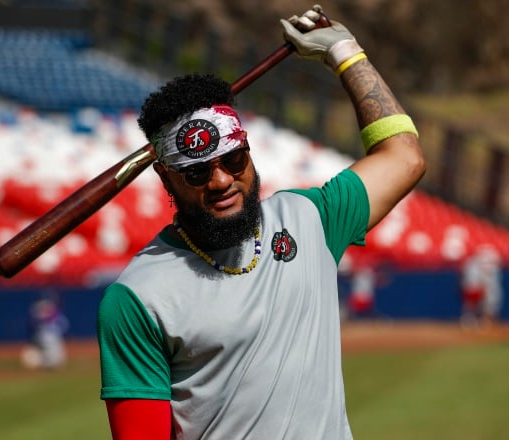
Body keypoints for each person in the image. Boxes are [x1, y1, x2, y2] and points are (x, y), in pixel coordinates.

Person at [97, 5, 425, 439]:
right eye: (196, 171)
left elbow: (404, 156)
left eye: (233, 159)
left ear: (248, 151)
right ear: (165, 176)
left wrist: (345, 53)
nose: (220, 181)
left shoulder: (311, 219)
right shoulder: (137, 297)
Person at [20, 297, 69, 370]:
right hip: (44, 337)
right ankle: (39, 360)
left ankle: (41, 360)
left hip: (51, 338)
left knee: (57, 361)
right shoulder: (37, 313)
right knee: (54, 361)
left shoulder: (54, 316)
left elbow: (64, 325)